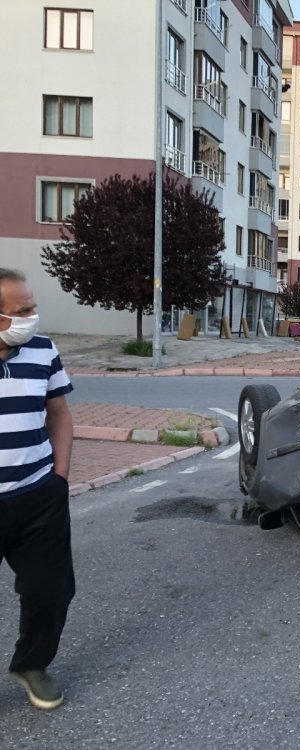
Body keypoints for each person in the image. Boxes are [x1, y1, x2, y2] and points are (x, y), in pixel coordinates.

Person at [0, 268, 74, 710]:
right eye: (22, 310)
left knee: (51, 589)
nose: (33, 316)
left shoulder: (43, 350)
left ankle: (32, 665)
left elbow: (59, 414)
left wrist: (59, 479)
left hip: (37, 495)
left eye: (32, 306)